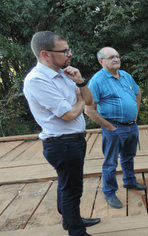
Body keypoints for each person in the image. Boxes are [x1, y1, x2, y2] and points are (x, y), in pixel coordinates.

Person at [23, 31, 100, 236]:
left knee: (68, 184)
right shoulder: (37, 80)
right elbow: (68, 114)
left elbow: (90, 101)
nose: (70, 54)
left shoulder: (64, 74)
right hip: (61, 143)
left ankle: (71, 220)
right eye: (64, 50)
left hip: (73, 140)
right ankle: (76, 231)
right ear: (46, 54)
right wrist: (80, 101)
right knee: (72, 189)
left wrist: (81, 81)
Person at [85, 47, 146, 209]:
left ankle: (130, 182)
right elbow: (89, 109)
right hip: (114, 127)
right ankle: (110, 192)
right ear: (101, 61)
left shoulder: (125, 75)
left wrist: (135, 114)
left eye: (117, 56)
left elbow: (138, 92)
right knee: (111, 162)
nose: (116, 59)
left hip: (131, 126)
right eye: (111, 57)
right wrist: (109, 127)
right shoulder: (97, 81)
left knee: (128, 156)